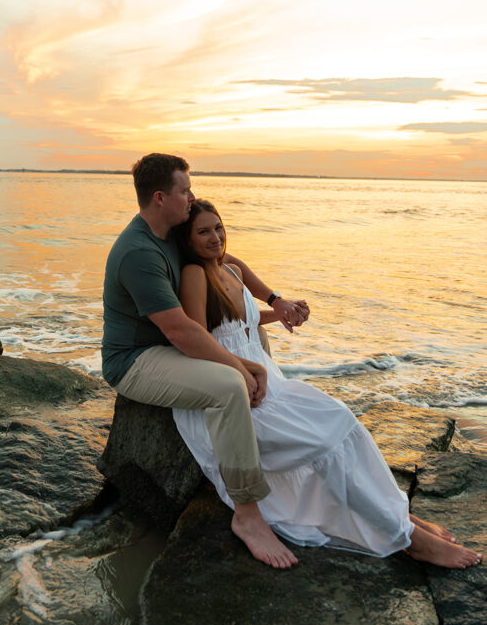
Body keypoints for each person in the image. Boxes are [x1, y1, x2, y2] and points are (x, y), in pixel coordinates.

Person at [170, 198, 483, 570]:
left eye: (218, 227)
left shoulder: (231, 268)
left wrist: (281, 312)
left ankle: (399, 518)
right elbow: (200, 339)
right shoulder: (194, 273)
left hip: (268, 380)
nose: (214, 237)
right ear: (187, 240)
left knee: (344, 422)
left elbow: (242, 323)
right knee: (325, 442)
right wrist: (244, 369)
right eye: (202, 232)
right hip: (235, 389)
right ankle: (410, 540)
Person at [102, 153, 310, 569]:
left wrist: (274, 303)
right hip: (136, 360)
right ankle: (248, 514)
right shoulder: (139, 252)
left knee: (255, 337)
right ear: (161, 197)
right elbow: (180, 330)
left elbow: (228, 263)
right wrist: (239, 365)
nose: (191, 196)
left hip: (168, 345)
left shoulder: (171, 234)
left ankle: (266, 426)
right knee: (227, 386)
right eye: (185, 190)